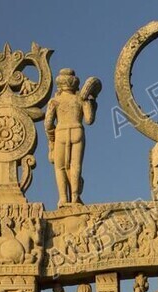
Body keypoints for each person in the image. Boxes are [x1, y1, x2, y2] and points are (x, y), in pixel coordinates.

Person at [44, 68, 100, 206]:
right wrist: (91, 101)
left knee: (60, 167)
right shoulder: (80, 99)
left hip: (61, 132)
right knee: (75, 165)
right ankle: (75, 197)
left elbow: (48, 124)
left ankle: (63, 198)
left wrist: (51, 140)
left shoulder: (54, 101)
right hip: (77, 130)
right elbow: (89, 120)